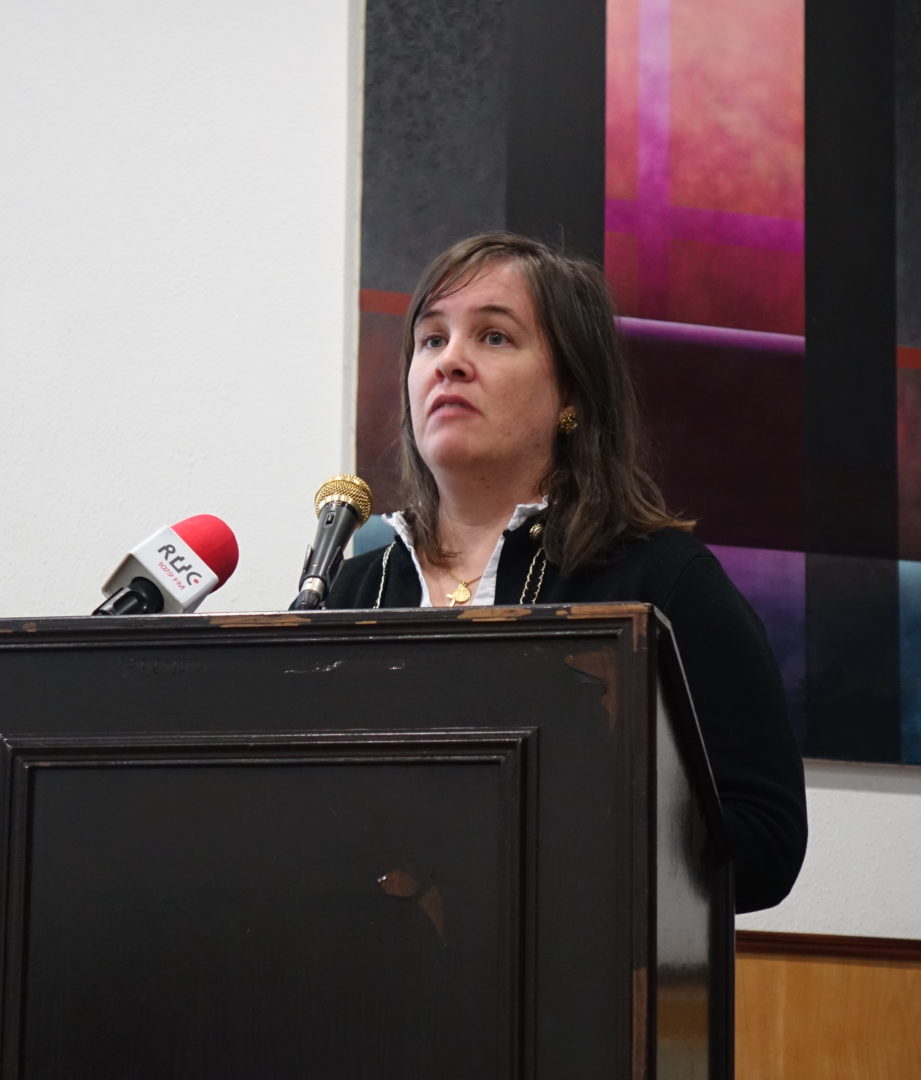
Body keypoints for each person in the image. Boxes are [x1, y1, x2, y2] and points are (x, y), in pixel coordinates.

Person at [327, 231, 807, 912]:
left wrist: (554, 831)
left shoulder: (661, 582)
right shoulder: (354, 589)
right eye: (431, 340)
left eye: (494, 337)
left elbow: (765, 841)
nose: (449, 361)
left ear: (572, 395)